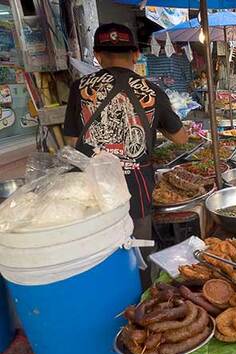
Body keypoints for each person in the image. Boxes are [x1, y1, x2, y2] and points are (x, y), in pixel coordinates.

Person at [63, 23, 188, 287]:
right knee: (136, 252)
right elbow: (180, 138)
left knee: (95, 253)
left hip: (89, 189)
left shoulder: (80, 88)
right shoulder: (152, 91)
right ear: (135, 55)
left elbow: (72, 140)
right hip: (135, 189)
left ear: (97, 55)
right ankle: (139, 305)